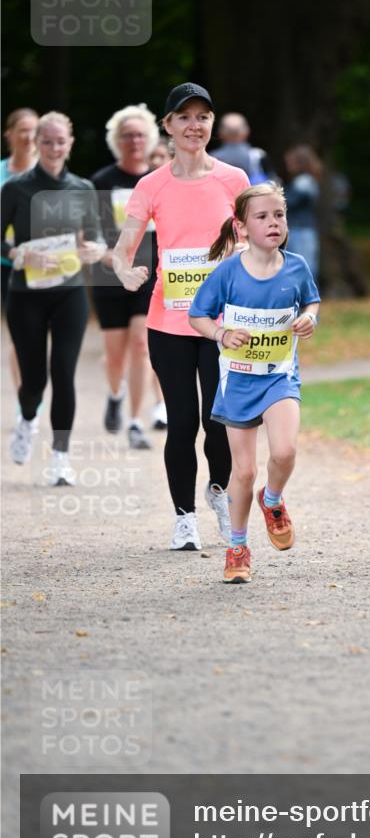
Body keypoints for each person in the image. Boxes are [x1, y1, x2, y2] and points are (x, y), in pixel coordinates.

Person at [112, 82, 249, 551]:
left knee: (219, 420)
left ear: (212, 124)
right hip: (169, 322)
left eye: (203, 117)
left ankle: (218, 491)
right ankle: (183, 517)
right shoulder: (151, 185)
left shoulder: (234, 180)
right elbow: (123, 247)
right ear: (167, 126)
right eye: (184, 117)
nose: (195, 125)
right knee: (182, 421)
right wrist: (125, 272)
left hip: (223, 325)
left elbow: (254, 241)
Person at [188, 182, 320, 584]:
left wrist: (310, 317)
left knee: (284, 451)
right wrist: (220, 335)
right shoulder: (228, 271)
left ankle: (273, 499)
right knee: (242, 473)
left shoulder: (297, 266)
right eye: (262, 217)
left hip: (279, 377)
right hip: (238, 383)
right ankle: (237, 547)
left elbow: (311, 300)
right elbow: (198, 315)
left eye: (279, 215)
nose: (273, 222)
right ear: (241, 227)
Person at [1, 111, 105, 484]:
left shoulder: (83, 188)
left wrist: (95, 250)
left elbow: (94, 237)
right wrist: (17, 253)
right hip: (25, 294)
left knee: (63, 373)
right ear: (35, 144)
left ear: (70, 144)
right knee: (34, 380)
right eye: (47, 141)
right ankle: (27, 419)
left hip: (70, 293)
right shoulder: (14, 188)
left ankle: (60, 456)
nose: (54, 148)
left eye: (61, 141)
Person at [90, 104, 166, 448]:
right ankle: (115, 392)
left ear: (149, 138)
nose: (134, 141)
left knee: (141, 345)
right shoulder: (101, 182)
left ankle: (135, 421)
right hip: (110, 274)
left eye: (139, 134)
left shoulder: (160, 179)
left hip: (150, 274)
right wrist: (112, 260)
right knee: (115, 353)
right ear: (116, 141)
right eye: (127, 135)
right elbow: (93, 235)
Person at [1, 108, 39, 397]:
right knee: (19, 334)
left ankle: (29, 396)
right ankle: (26, 398)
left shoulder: (49, 171)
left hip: (42, 264)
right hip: (5, 263)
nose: (29, 137)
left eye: (34, 130)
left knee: (33, 337)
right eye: (23, 130)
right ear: (9, 135)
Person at [284, 144, 322, 282]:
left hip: (300, 230)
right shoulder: (307, 180)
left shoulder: (303, 182)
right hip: (303, 230)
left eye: (290, 161)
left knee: (303, 268)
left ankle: (307, 300)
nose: (287, 165)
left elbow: (289, 202)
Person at [210, 112, 275, 184]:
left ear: (220, 132)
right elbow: (273, 181)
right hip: (252, 194)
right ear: (247, 131)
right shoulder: (258, 155)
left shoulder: (211, 158)